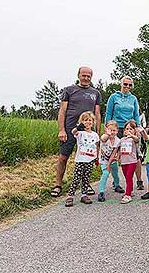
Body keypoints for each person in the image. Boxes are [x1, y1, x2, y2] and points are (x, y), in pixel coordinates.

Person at [51, 66, 101, 198]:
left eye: (88, 76)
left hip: (88, 132)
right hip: (70, 129)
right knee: (63, 157)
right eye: (83, 75)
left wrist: (97, 133)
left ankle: (86, 185)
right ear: (79, 75)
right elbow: (62, 110)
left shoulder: (95, 93)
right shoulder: (69, 90)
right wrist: (61, 129)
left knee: (88, 159)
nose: (86, 78)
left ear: (91, 77)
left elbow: (97, 113)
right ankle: (58, 185)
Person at [105, 76, 144, 191]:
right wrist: (107, 128)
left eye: (130, 85)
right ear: (121, 84)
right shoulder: (113, 97)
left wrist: (137, 127)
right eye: (125, 84)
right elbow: (108, 113)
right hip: (116, 128)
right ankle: (116, 182)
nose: (127, 87)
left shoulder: (133, 98)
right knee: (115, 154)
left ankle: (139, 180)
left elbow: (136, 114)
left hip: (129, 129)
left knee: (134, 155)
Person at [65, 111, 100, 207]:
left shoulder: (95, 135)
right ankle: (70, 196)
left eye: (90, 120)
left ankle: (84, 195)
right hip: (80, 159)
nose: (87, 122)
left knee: (86, 178)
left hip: (90, 159)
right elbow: (73, 132)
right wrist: (77, 128)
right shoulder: (80, 133)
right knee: (76, 178)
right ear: (81, 122)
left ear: (93, 122)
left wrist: (97, 157)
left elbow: (96, 146)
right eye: (85, 120)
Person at [107, 120, 140, 204]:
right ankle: (130, 191)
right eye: (127, 129)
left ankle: (128, 195)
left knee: (129, 177)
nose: (128, 131)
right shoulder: (121, 140)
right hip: (123, 162)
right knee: (126, 177)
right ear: (124, 130)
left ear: (134, 130)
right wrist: (115, 158)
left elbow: (137, 139)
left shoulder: (133, 139)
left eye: (131, 129)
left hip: (132, 161)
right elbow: (118, 150)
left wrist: (132, 135)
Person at [97, 120, 121, 202]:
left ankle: (116, 185)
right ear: (106, 130)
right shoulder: (105, 137)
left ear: (117, 131)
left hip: (112, 160)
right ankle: (101, 192)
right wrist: (107, 134)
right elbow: (103, 139)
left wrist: (110, 163)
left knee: (115, 173)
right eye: (110, 130)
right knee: (105, 173)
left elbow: (114, 153)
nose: (112, 132)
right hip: (104, 160)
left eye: (114, 130)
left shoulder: (118, 141)